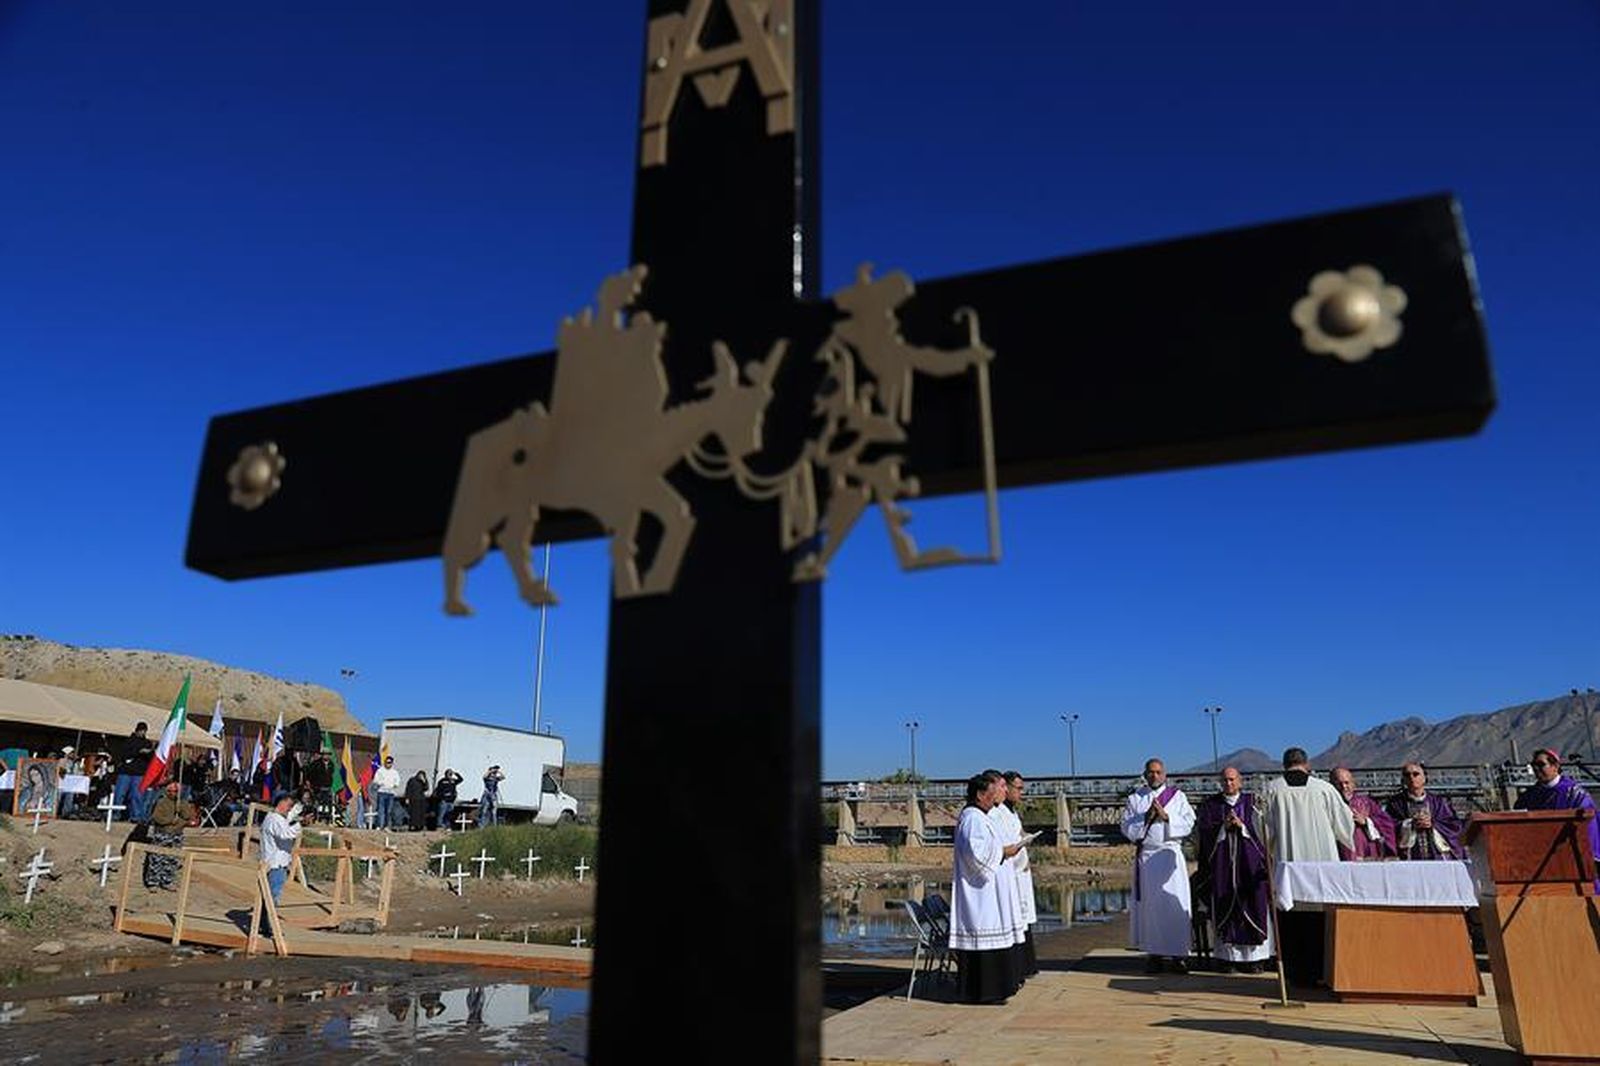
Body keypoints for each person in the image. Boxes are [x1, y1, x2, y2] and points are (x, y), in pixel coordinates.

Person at [1257, 747, 1354, 985]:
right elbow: (1344, 825)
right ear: (1307, 764)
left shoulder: (1271, 789)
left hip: (1289, 866)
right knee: (1320, 917)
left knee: (1291, 917)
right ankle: (1323, 972)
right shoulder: (1324, 789)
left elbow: (1261, 826)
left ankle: (1295, 975)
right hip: (1322, 867)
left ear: (1284, 764)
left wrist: (1272, 844)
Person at [949, 770, 1025, 1004]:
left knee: (996, 942)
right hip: (979, 895)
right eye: (992, 794)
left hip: (988, 892)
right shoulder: (972, 818)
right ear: (981, 794)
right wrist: (1004, 851)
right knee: (984, 942)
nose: (995, 799)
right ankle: (984, 992)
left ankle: (996, 989)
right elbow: (976, 854)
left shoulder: (983, 816)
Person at [1120, 757, 1196, 973]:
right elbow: (1126, 826)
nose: (1155, 775)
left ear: (1165, 774)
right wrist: (1146, 817)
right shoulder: (1135, 798)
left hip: (1170, 855)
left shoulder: (1178, 796)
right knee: (1151, 909)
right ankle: (1154, 954)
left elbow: (1190, 821)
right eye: (1151, 772)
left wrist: (1166, 816)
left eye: (1158, 772)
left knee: (1175, 906)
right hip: (1148, 859)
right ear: (1145, 774)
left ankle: (1179, 955)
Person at [1194, 766, 1272, 973]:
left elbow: (1265, 832)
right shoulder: (1211, 806)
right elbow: (1204, 837)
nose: (1228, 784)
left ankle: (1255, 960)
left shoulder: (1253, 802)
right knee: (1225, 908)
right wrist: (1222, 828)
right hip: (1223, 870)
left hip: (1250, 868)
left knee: (1254, 905)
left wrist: (1243, 827)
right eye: (1225, 780)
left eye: (1232, 780)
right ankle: (1228, 960)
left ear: (1240, 781)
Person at [1515, 749, 1600, 893]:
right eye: (1533, 765)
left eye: (1540, 764)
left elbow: (1588, 822)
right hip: (1542, 858)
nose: (1536, 769)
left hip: (1570, 854)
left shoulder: (1573, 793)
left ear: (1555, 766)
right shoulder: (1530, 796)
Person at [996, 771, 1039, 980]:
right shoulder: (999, 812)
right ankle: (1019, 967)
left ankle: (1027, 965)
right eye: (1018, 788)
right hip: (1011, 874)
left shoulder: (1012, 812)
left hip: (1022, 872)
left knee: (1025, 920)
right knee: (1017, 920)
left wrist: (1025, 837)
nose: (1021, 792)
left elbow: (1017, 833)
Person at [1385, 761, 1463, 860]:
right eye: (1407, 775)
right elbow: (1387, 826)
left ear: (1424, 778)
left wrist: (1433, 824)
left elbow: (1453, 825)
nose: (1411, 778)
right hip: (1409, 856)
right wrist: (1409, 825)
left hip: (1437, 854)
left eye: (1416, 774)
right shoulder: (1395, 804)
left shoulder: (1438, 802)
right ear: (1403, 779)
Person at [1330, 766, 1396, 860]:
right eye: (1338, 783)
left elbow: (1387, 824)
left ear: (1353, 784)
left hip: (1367, 854)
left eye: (1347, 783)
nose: (1344, 787)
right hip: (1339, 855)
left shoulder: (1366, 803)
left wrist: (1367, 822)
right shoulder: (1328, 805)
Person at [143, 777, 196, 890]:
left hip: (177, 834)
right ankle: (153, 882)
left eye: (176, 791)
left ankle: (167, 881)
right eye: (170, 791)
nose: (173, 793)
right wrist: (170, 821)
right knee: (157, 858)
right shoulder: (161, 802)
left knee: (172, 858)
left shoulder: (182, 802)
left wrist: (179, 818)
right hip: (162, 833)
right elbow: (157, 818)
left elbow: (187, 817)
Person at [259, 791, 303, 913]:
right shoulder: (274, 819)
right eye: (289, 805)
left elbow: (288, 819)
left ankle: (264, 923)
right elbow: (286, 834)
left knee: (268, 896)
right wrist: (300, 824)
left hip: (275, 863)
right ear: (281, 803)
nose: (289, 809)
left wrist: (299, 809)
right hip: (275, 864)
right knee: (273, 897)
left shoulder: (275, 817)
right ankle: (268, 925)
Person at [114, 722, 154, 822]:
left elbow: (151, 758)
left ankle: (136, 816)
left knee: (137, 795)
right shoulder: (128, 741)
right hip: (125, 771)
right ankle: (115, 813)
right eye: (141, 730)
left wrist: (148, 753)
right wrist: (138, 751)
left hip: (139, 773)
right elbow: (124, 754)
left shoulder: (148, 743)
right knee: (120, 794)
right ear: (137, 730)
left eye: (144, 731)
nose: (142, 732)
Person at [373, 756, 401, 829]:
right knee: (380, 810)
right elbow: (375, 780)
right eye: (387, 762)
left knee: (388, 811)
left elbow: (397, 781)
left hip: (390, 793)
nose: (388, 764)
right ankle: (379, 825)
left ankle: (386, 826)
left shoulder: (394, 772)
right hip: (382, 792)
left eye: (390, 763)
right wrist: (381, 783)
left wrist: (394, 785)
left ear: (392, 763)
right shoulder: (380, 771)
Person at [56, 746, 84, 818]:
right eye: (71, 753)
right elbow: (60, 771)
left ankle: (65, 814)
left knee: (69, 800)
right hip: (61, 784)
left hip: (70, 785)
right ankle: (56, 813)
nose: (73, 754)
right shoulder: (62, 760)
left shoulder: (75, 763)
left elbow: (78, 773)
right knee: (58, 800)